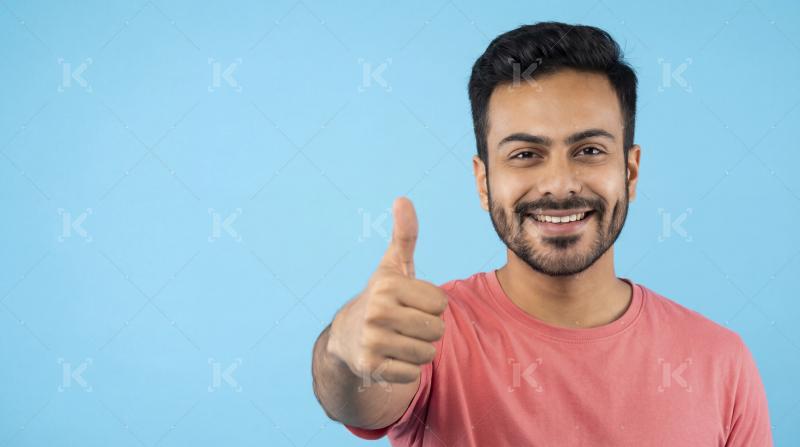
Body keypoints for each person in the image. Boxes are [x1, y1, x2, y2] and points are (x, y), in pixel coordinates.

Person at [311, 21, 773, 446]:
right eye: (526, 154)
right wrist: (344, 351)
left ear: (630, 172)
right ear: (483, 181)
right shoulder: (426, 336)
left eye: (589, 150)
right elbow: (355, 398)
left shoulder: (720, 361)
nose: (560, 184)